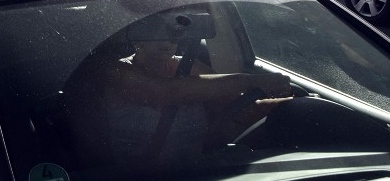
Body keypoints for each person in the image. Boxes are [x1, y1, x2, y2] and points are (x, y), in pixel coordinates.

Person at [98, 13, 292, 166]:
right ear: (136, 37)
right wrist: (251, 81)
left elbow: (237, 109)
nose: (167, 39)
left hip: (197, 171)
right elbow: (167, 92)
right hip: (138, 175)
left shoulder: (191, 67)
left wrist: (295, 105)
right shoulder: (118, 71)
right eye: (156, 29)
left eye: (173, 30)